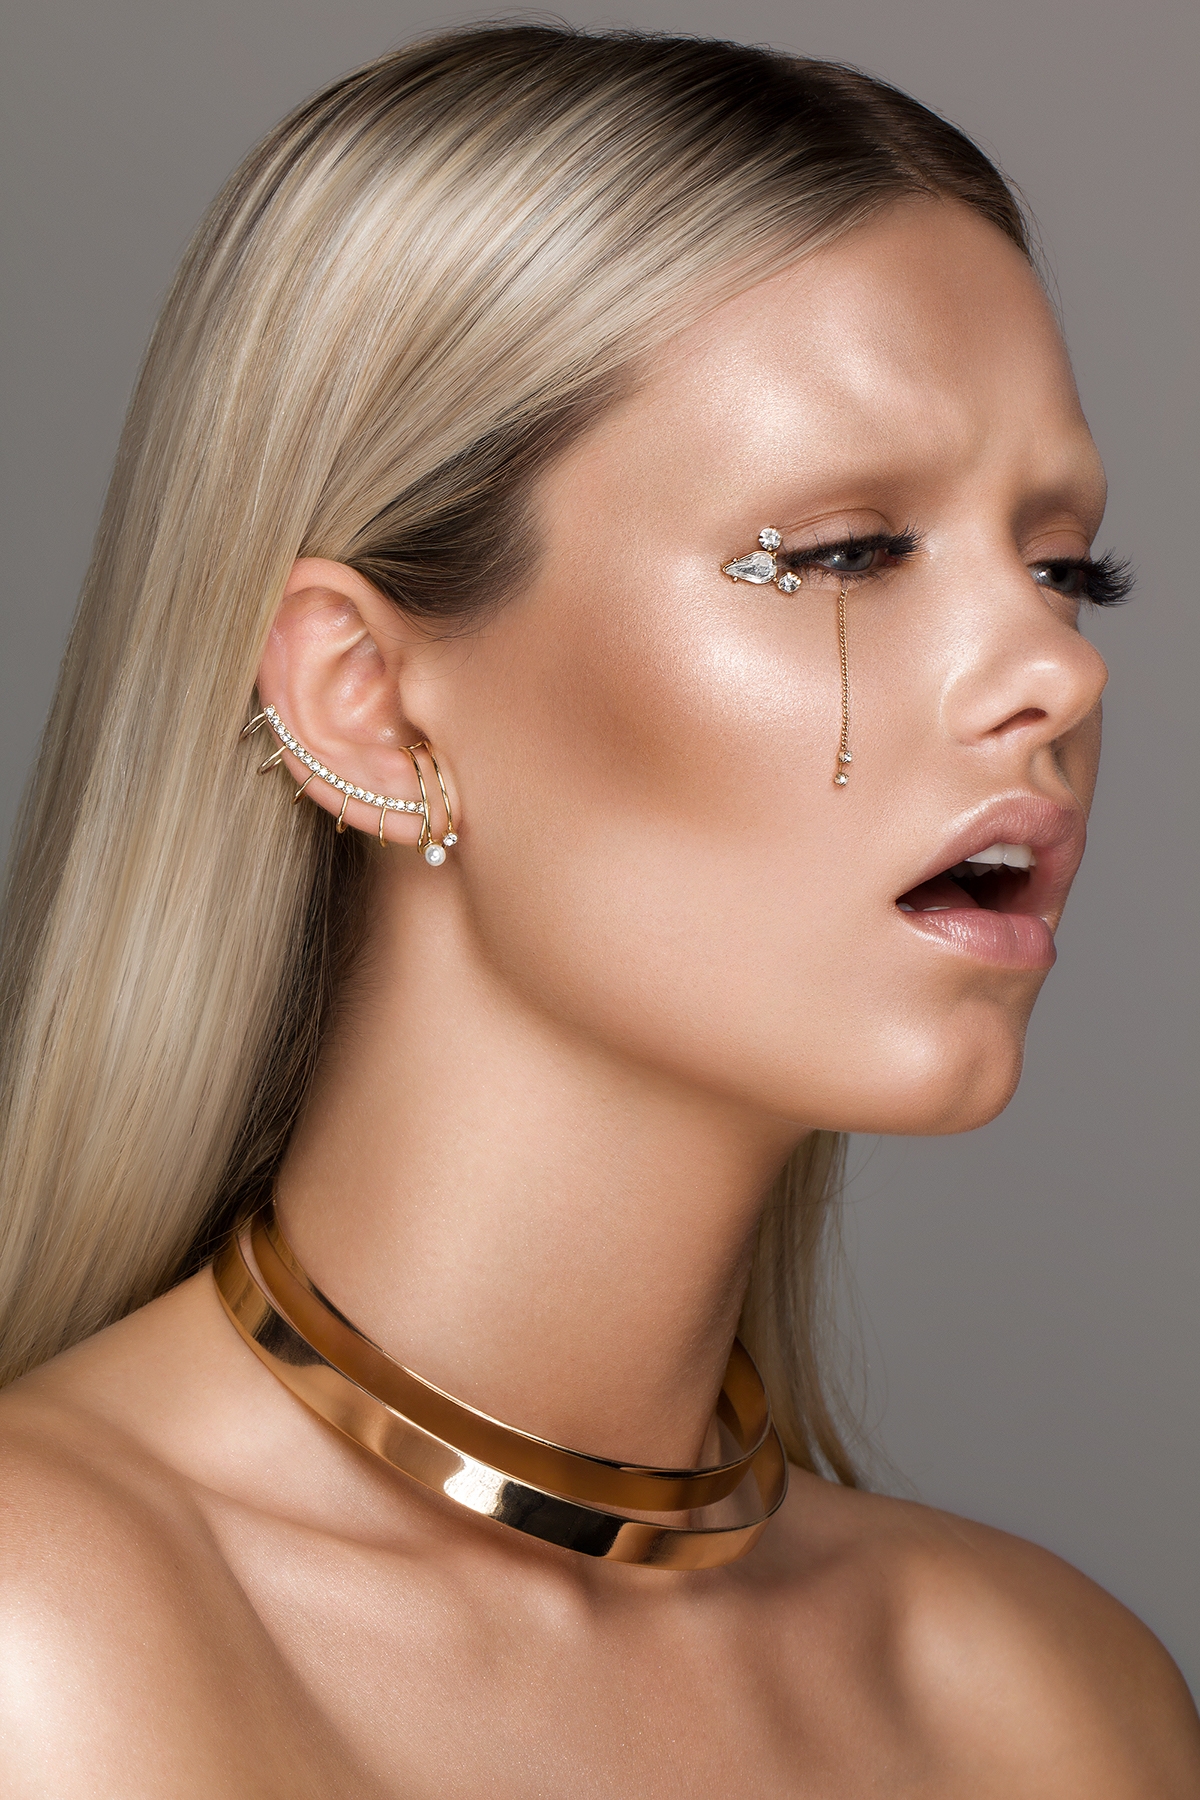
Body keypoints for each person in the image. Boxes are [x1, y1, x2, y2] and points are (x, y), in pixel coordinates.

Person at [0, 22, 1196, 1795]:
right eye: (846, 553)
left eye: (1064, 566)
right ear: (366, 704)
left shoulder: (1053, 1708)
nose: (1055, 671)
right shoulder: (41, 1642)